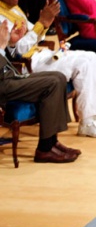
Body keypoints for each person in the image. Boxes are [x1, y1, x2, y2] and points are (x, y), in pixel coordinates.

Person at [0, 0, 96, 138]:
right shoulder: (1, 16)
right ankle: (87, 123)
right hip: (27, 65)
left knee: (90, 56)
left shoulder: (15, 9)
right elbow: (18, 51)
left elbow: (38, 34)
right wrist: (42, 24)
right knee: (82, 63)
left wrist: (42, 24)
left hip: (40, 54)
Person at [0, 19, 80, 163]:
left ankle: (52, 141)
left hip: (9, 76)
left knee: (59, 76)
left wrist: (10, 43)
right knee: (52, 83)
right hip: (3, 84)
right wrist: (1, 46)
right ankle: (45, 149)